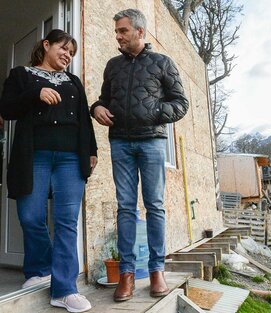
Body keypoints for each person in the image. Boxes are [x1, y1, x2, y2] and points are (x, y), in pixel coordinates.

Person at [90, 9, 189, 302]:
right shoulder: (113, 66)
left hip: (152, 143)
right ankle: (128, 274)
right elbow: (103, 99)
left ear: (140, 32)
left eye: (122, 31)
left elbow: (181, 103)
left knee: (155, 206)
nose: (117, 36)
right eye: (116, 32)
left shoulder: (162, 63)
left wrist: (154, 112)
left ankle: (156, 270)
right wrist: (96, 108)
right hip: (121, 143)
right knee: (125, 208)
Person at [0, 29, 97, 313]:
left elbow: (84, 120)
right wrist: (36, 93)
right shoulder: (21, 75)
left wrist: (91, 151)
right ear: (46, 45)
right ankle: (40, 269)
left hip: (69, 158)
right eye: (63, 48)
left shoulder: (74, 82)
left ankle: (65, 289)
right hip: (35, 156)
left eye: (72, 52)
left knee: (67, 222)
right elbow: (7, 108)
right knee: (31, 216)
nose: (67, 55)